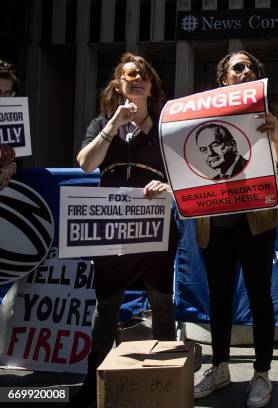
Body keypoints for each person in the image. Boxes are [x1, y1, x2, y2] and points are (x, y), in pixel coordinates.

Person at [69, 53, 179, 407]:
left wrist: (168, 189)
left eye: (144, 75)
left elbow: (184, 175)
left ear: (151, 85)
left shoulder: (166, 127)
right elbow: (86, 164)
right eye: (130, 75)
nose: (138, 79)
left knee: (161, 302)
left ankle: (166, 377)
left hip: (155, 228)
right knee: (108, 304)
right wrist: (112, 124)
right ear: (118, 83)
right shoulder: (104, 121)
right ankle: (94, 381)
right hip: (113, 231)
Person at [193, 50, 278, 408]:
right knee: (219, 298)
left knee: (259, 297)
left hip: (256, 224)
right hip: (214, 225)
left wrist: (275, 136)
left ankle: (262, 373)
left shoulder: (274, 114)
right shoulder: (199, 115)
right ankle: (219, 367)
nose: (247, 70)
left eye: (252, 66)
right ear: (224, 80)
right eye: (239, 67)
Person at [0, 60, 19, 190]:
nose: (2, 98)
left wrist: (12, 164)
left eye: (8, 94)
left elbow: (18, 155)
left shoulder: (12, 121)